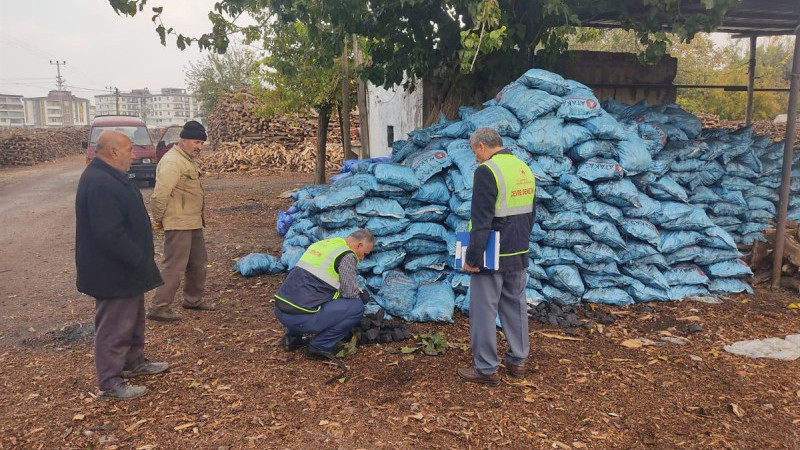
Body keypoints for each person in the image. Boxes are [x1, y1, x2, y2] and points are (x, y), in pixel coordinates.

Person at [75, 130, 168, 400]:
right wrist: (137, 257)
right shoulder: (99, 182)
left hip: (126, 268)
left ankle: (133, 362)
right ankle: (109, 382)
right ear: (113, 151)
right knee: (114, 325)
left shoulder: (111, 176)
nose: (134, 153)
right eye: (129, 149)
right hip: (112, 271)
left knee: (133, 318)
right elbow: (108, 234)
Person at [458, 127, 536, 386]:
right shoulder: (524, 168)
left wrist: (472, 257)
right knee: (515, 306)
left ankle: (486, 368)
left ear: (482, 146)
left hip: (493, 253)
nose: (476, 159)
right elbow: (530, 213)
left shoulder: (487, 171)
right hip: (519, 250)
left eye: (475, 152)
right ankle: (518, 362)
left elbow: (481, 220)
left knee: (483, 310)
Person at [147, 120, 214, 321]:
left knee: (198, 262)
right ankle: (158, 307)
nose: (199, 147)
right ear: (183, 140)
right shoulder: (172, 161)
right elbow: (160, 195)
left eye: (202, 143)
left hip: (192, 221)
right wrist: (158, 219)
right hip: (178, 223)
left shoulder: (186, 159)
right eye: (196, 142)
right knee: (174, 266)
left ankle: (192, 300)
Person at [273, 229, 375, 361]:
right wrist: (362, 296)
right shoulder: (347, 256)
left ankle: (292, 338)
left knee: (306, 293)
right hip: (301, 319)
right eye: (364, 254)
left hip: (280, 310)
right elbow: (350, 293)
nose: (362, 258)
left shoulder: (323, 245)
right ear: (359, 245)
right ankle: (319, 346)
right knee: (356, 307)